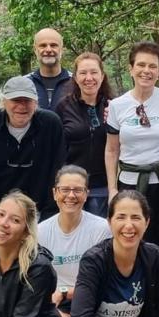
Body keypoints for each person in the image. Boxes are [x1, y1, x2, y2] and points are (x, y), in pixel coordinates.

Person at [105, 42, 159, 317]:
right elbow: (112, 149)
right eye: (141, 65)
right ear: (130, 69)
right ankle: (136, 305)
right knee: (133, 245)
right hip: (131, 185)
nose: (146, 71)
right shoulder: (117, 106)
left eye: (152, 66)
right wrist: (113, 188)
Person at [0, 75, 66, 245]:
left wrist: (50, 217)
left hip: (38, 215)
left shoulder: (51, 124)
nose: (21, 106)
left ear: (36, 102)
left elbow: (58, 172)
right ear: (3, 102)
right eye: (15, 100)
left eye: (27, 100)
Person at [37, 166, 111, 317]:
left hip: (91, 301)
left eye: (78, 190)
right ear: (54, 193)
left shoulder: (101, 229)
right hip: (54, 303)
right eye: (64, 189)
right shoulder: (40, 231)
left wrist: (64, 292)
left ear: (86, 194)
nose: (71, 195)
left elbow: (104, 281)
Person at [54, 53, 113, 217]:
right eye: (83, 73)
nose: (89, 78)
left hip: (103, 186)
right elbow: (56, 148)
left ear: (102, 76)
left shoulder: (113, 105)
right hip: (72, 186)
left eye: (94, 72)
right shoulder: (63, 107)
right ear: (75, 77)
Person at [28, 27, 73, 111]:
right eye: (43, 45)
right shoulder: (25, 83)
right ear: (35, 50)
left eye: (53, 45)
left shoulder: (77, 82)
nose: (48, 49)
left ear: (61, 49)